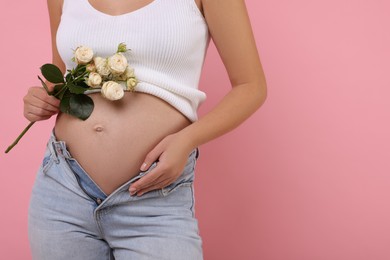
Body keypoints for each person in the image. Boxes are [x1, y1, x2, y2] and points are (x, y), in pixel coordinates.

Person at [25, 0, 267, 259]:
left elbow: (250, 86)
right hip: (64, 188)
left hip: (154, 195)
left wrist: (187, 140)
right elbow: (60, 76)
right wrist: (39, 98)